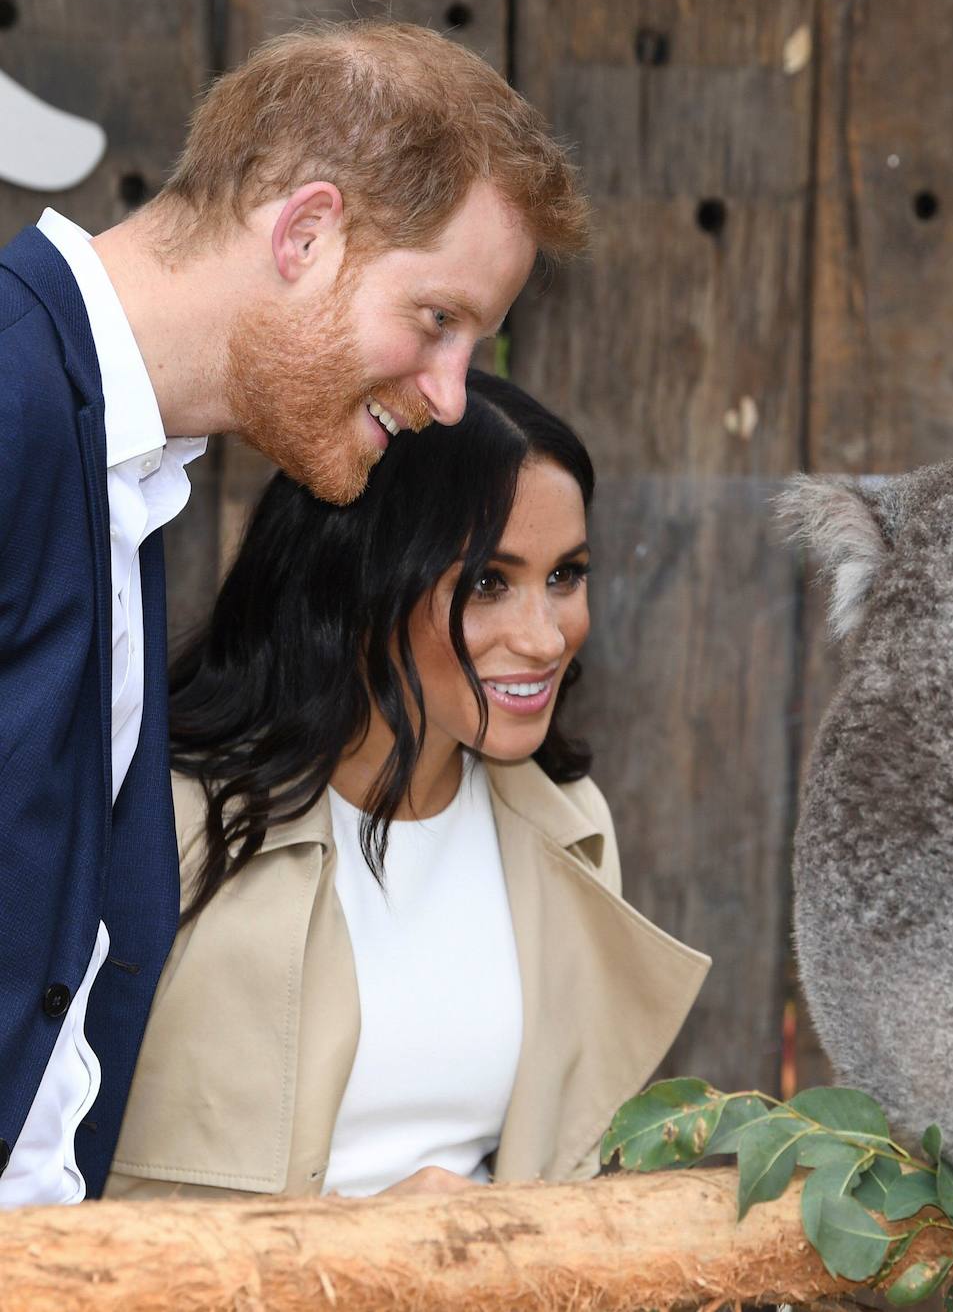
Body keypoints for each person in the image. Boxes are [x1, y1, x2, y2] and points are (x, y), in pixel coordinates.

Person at [0, 19, 588, 1204]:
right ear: (304, 231)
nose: (446, 395)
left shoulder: (116, 469)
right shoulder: (12, 402)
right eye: (435, 320)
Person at [103, 373, 709, 1198]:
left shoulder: (567, 829)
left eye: (565, 576)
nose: (544, 636)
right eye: (488, 583)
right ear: (365, 579)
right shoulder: (164, 819)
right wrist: (358, 1248)